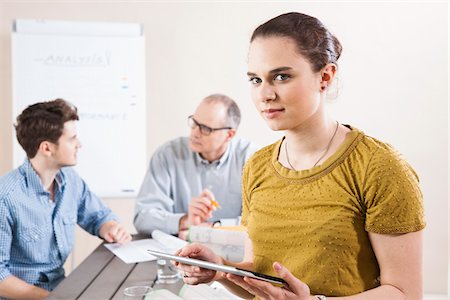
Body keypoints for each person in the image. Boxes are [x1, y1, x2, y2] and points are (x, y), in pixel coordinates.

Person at [174, 12, 426, 300]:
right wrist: (218, 268)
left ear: (325, 76)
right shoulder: (257, 166)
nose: (264, 94)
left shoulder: (379, 167)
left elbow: (405, 293)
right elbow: (265, 275)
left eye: (281, 76)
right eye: (255, 80)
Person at [0, 99, 131, 300]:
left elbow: (98, 216)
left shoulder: (70, 181)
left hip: (61, 291)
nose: (79, 144)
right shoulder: (6, 197)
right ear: (47, 148)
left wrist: (110, 227)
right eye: (72, 139)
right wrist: (52, 298)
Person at [134, 94, 258, 240]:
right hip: (181, 253)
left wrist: (214, 228)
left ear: (229, 135)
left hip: (236, 254)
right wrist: (185, 221)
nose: (194, 133)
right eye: (194, 122)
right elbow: (143, 216)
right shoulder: (167, 155)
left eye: (205, 128)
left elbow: (262, 220)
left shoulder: (252, 159)